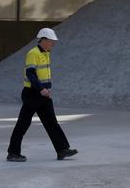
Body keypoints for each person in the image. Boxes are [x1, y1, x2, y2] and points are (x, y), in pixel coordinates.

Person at [6, 28, 78, 162]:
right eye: (51, 41)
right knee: (23, 123)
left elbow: (44, 74)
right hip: (32, 94)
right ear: (43, 40)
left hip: (43, 94)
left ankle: (62, 150)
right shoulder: (33, 53)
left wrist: (47, 89)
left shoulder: (46, 53)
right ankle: (13, 153)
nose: (53, 44)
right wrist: (40, 89)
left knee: (52, 122)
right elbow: (31, 74)